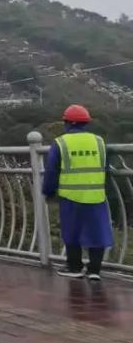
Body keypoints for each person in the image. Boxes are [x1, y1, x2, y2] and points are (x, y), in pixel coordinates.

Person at [42, 104, 113, 281]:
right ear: (86, 123)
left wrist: (48, 192)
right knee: (98, 232)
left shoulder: (60, 143)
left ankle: (74, 267)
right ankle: (95, 270)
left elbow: (51, 171)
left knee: (72, 232)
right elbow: (106, 169)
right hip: (96, 195)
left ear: (66, 123)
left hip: (70, 196)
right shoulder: (99, 141)